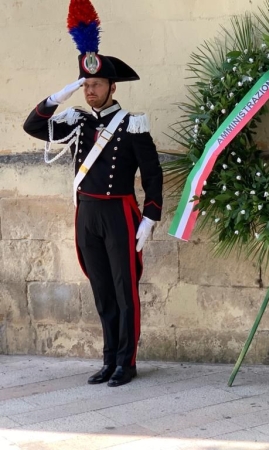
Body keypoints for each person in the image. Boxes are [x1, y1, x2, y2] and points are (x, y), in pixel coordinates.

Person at [23, 0, 163, 387]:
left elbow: (152, 173)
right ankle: (107, 360)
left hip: (119, 212)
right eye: (85, 86)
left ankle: (126, 362)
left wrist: (151, 216)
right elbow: (33, 126)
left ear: (112, 86)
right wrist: (59, 96)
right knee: (101, 288)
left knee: (124, 290)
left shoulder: (133, 125)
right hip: (86, 212)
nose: (90, 91)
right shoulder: (78, 123)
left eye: (95, 85)